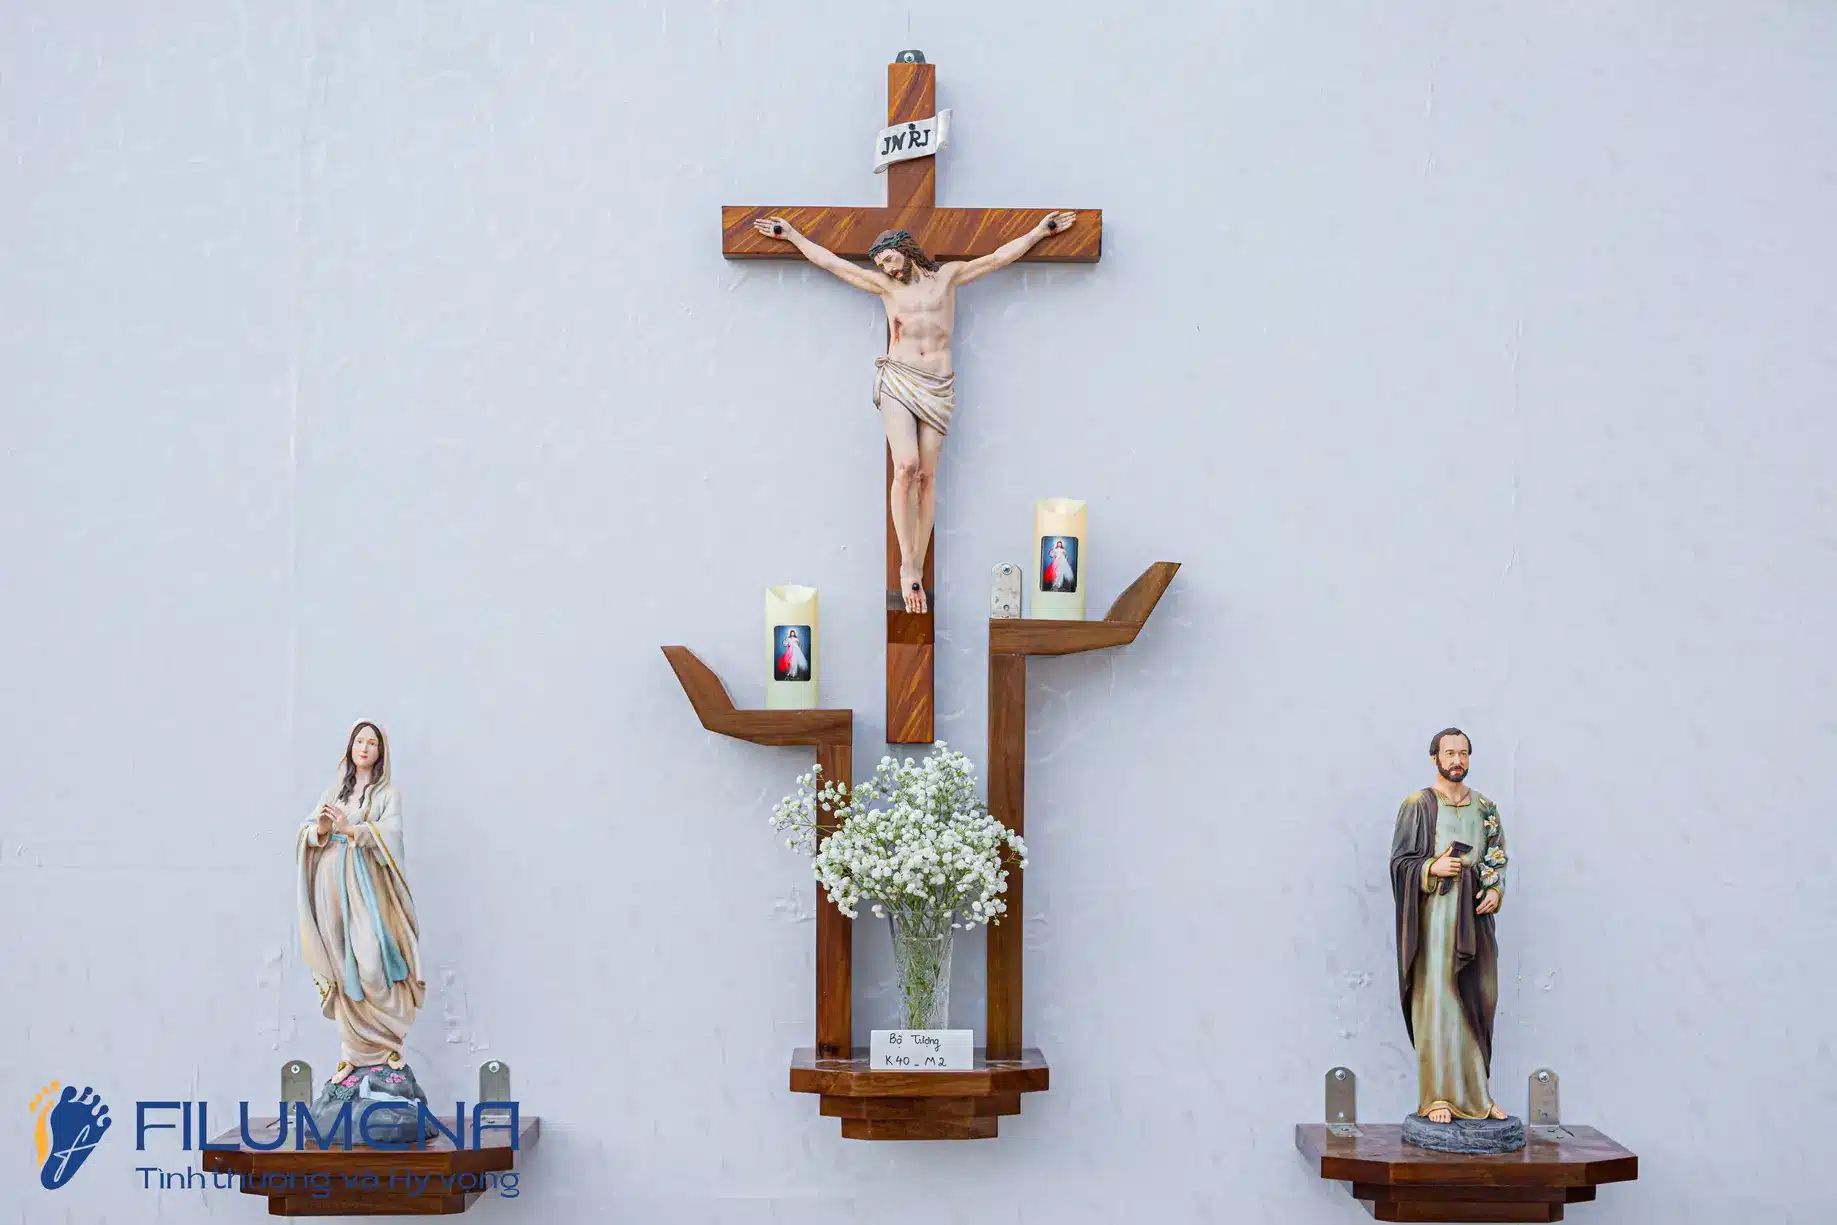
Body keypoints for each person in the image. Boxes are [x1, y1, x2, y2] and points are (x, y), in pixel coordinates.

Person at [752, 211, 1077, 614]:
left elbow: (996, 258)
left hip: (938, 386)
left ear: (905, 250)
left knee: (926, 477)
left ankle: (917, 564)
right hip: (899, 380)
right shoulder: (886, 287)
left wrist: (1039, 232)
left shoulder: (948, 277)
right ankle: (907, 564)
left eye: (889, 259)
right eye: (881, 264)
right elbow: (833, 264)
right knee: (905, 467)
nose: (887, 268)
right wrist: (793, 235)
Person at [1389, 728, 1511, 1125]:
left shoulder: (1486, 807)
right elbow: (1400, 864)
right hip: (1435, 925)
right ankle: (1436, 1095)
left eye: (1463, 753)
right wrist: (1431, 867)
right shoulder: (1418, 805)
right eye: (1449, 753)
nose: (1457, 760)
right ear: (1435, 758)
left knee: (1479, 997)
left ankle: (1478, 1097)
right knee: (1438, 1003)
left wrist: (1495, 890)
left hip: (1474, 922)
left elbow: (1496, 858)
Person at [296, 721, 424, 1081]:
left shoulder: (387, 794)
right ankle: (352, 1052)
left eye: (372, 743)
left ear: (381, 752)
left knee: (371, 960)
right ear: (350, 748)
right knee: (340, 962)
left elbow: (393, 834)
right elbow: (307, 830)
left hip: (365, 883)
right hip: (330, 883)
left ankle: (387, 1042)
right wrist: (322, 829)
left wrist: (352, 829)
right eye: (359, 741)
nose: (364, 748)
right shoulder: (335, 791)